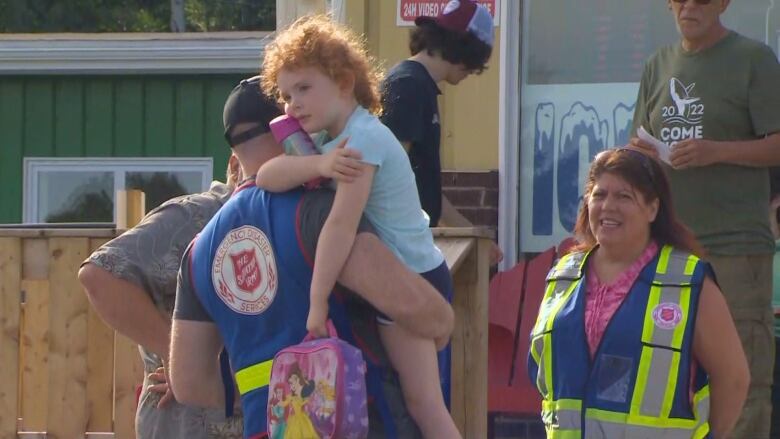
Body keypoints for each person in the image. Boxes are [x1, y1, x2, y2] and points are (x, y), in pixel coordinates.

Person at [169, 79, 455, 439]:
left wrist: (279, 397)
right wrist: (444, 319)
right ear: (288, 130)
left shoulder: (199, 251)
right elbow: (414, 306)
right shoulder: (318, 212)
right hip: (361, 424)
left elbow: (189, 382)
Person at [255, 15, 459, 438]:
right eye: (286, 95)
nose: (293, 105)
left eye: (305, 88)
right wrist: (316, 163)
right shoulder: (332, 144)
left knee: (425, 406)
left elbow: (340, 227)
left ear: (345, 82)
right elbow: (265, 176)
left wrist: (318, 302)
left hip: (411, 280)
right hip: (395, 276)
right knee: (408, 403)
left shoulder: (360, 142)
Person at [629, 0, 780, 436]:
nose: (690, 7)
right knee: (670, 376)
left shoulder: (753, 59)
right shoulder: (658, 64)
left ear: (724, 4)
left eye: (703, 0)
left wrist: (717, 151)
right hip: (668, 248)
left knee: (742, 378)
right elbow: (637, 140)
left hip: (734, 248)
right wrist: (640, 155)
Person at [528, 148, 750, 438]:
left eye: (624, 196)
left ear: (652, 209)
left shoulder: (686, 281)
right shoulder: (563, 275)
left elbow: (733, 379)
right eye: (599, 195)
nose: (608, 206)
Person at [78, 158, 244, 438]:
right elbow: (100, 275)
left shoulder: (271, 219)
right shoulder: (197, 215)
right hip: (185, 423)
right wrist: (179, 356)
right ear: (236, 164)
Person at [379, 0, 503, 265]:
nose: (473, 72)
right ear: (464, 50)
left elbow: (426, 188)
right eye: (477, 61)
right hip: (399, 244)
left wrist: (478, 239)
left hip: (415, 238)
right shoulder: (408, 86)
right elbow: (388, 171)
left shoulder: (420, 85)